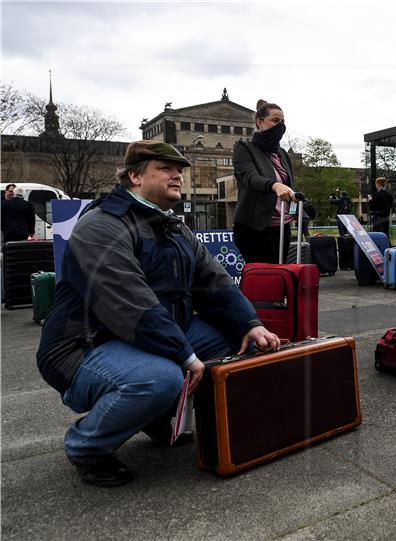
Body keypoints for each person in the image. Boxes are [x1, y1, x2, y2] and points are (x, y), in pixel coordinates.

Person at [37, 141, 280, 487]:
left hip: (142, 335)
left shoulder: (173, 228)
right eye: (165, 168)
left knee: (237, 342)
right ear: (135, 176)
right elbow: (130, 304)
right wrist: (185, 354)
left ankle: (157, 418)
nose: (177, 174)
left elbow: (215, 282)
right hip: (83, 346)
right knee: (161, 378)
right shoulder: (102, 225)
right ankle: (86, 446)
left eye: (179, 169)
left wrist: (251, 324)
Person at [232, 99, 296, 264]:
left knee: (280, 275)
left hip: (281, 226)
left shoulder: (282, 153)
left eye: (283, 122)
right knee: (265, 278)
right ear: (259, 122)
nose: (280, 126)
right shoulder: (244, 148)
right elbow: (250, 177)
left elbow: (289, 186)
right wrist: (275, 186)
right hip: (254, 227)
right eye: (275, 121)